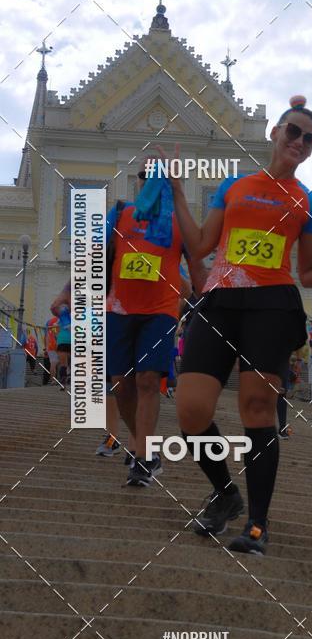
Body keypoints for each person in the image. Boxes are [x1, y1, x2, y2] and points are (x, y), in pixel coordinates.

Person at [171, 95, 312, 555]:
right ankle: (226, 493)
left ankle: (257, 524)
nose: (302, 142)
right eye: (294, 132)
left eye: (311, 139)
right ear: (276, 133)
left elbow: (306, 270)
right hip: (220, 301)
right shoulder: (233, 186)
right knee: (190, 410)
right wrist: (176, 193)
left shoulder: (310, 199)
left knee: (256, 409)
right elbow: (202, 243)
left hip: (272, 304)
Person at [105, 160, 200, 487]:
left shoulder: (179, 223)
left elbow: (197, 265)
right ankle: (145, 446)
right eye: (146, 177)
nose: (151, 182)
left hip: (160, 312)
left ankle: (143, 458)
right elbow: (99, 256)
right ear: (138, 182)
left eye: (160, 178)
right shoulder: (120, 215)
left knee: (147, 380)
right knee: (121, 383)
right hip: (119, 309)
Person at [45, 315, 59, 383]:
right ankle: (57, 379)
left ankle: (52, 379)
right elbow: (57, 334)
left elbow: (47, 335)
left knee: (53, 363)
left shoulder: (49, 321)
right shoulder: (61, 321)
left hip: (50, 346)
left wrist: (46, 347)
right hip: (58, 345)